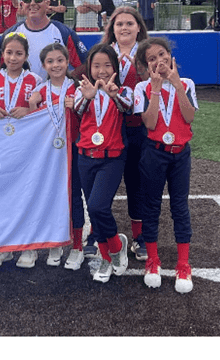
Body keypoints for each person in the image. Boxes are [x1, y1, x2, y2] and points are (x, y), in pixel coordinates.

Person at [133, 37, 198, 294]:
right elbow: (150, 123)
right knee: (151, 206)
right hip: (154, 153)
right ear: (145, 65)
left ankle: (183, 264)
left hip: (180, 154)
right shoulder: (142, 88)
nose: (159, 61)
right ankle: (152, 260)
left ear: (170, 56)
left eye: (162, 55)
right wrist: (156, 89)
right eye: (151, 59)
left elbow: (189, 117)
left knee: (180, 207)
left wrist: (176, 85)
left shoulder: (187, 83)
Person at [72, 43, 133, 284]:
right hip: (85, 156)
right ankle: (108, 255)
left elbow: (127, 108)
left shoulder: (123, 91)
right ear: (89, 68)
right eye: (96, 65)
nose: (102, 70)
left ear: (115, 67)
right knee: (94, 210)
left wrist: (113, 94)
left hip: (111, 158)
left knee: (98, 206)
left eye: (107, 65)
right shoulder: (82, 90)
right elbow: (78, 110)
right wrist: (88, 97)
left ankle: (115, 249)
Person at [0, 32, 43, 269]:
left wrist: (28, 111)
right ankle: (4, 246)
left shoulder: (35, 80)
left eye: (19, 53)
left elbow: (44, 111)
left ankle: (29, 247)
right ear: (2, 54)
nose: (13, 57)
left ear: (26, 56)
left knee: (26, 194)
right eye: (9, 52)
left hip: (27, 146)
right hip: (0, 146)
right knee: (3, 195)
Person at [102, 7, 150, 262]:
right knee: (104, 182)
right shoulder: (104, 53)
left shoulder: (148, 53)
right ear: (112, 28)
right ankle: (100, 234)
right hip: (109, 128)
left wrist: (140, 69)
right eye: (119, 24)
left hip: (138, 127)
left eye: (129, 23)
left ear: (138, 27)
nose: (124, 28)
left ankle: (139, 237)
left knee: (136, 181)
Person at [27, 43, 79, 268]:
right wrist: (32, 106)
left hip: (74, 149)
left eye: (60, 60)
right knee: (50, 195)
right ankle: (54, 243)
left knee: (74, 197)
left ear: (67, 62)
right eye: (50, 61)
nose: (56, 65)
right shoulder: (39, 91)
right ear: (43, 65)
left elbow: (88, 117)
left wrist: (77, 106)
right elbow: (34, 126)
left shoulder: (77, 87)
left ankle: (78, 245)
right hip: (49, 153)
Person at [0, 0, 88, 82]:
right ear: (22, 4)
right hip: (20, 91)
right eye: (27, 0)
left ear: (47, 3)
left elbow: (83, 64)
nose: (32, 3)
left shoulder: (63, 32)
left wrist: (66, 83)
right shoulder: (11, 34)